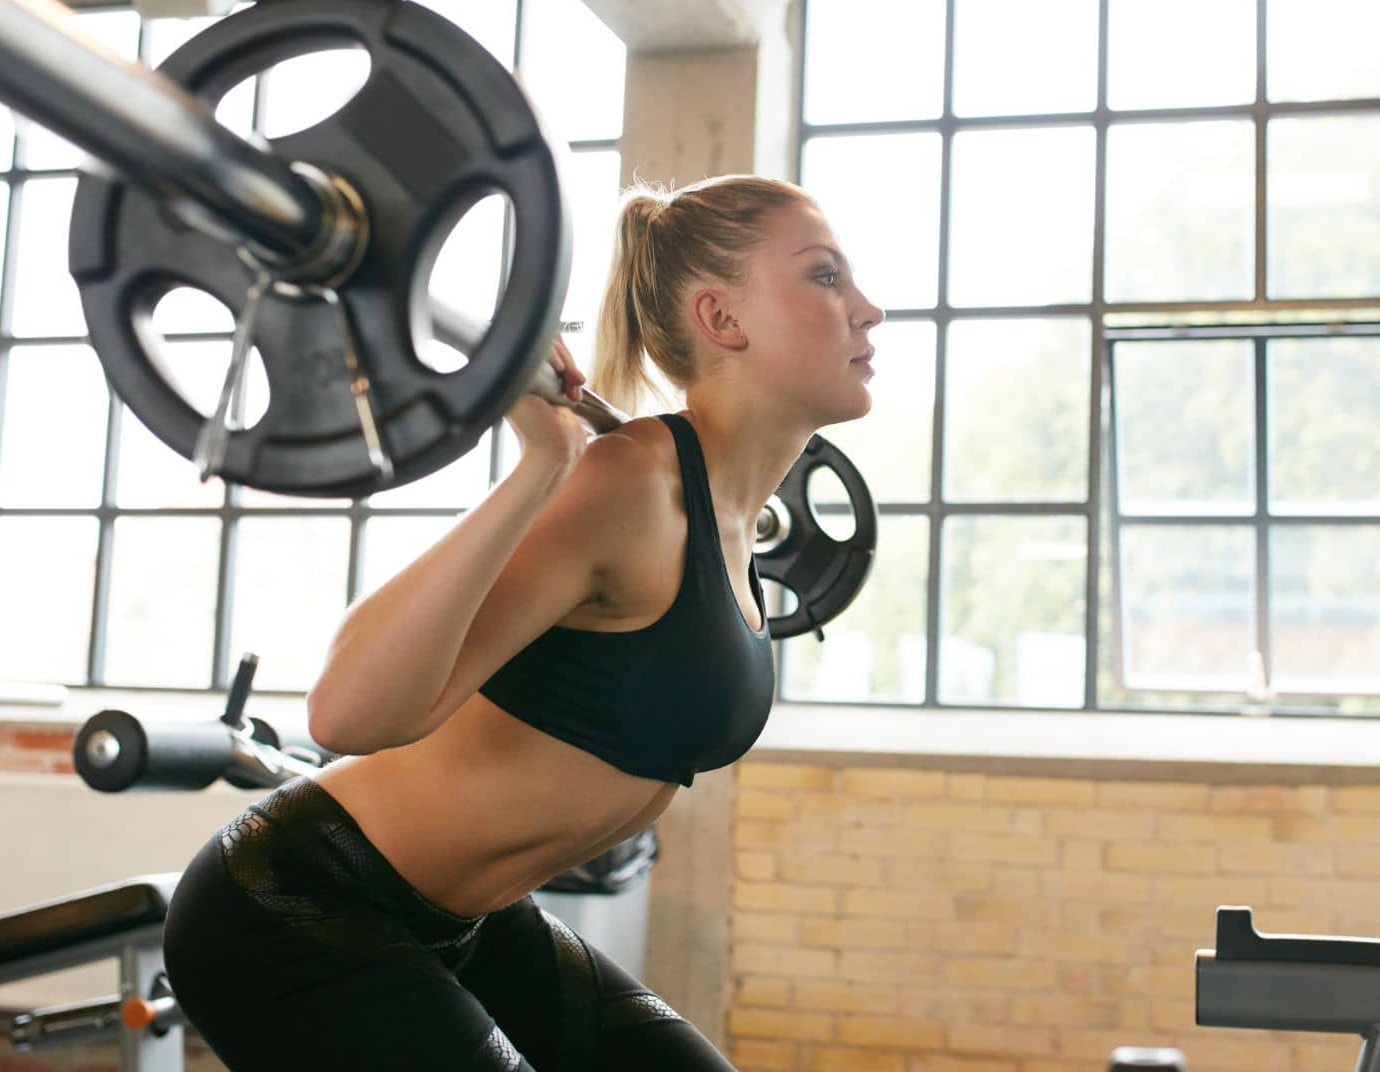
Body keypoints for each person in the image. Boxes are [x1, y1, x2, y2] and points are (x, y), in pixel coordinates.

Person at [161, 174, 886, 1071]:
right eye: (825, 278)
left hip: (473, 922)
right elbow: (345, 715)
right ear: (722, 320)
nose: (869, 310)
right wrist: (545, 463)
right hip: (302, 907)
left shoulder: (731, 526)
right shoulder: (630, 487)